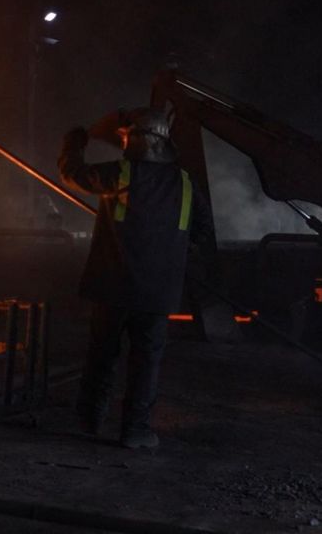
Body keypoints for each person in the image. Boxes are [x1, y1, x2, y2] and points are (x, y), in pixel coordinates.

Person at [58, 107, 215, 449]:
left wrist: (74, 143)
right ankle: (136, 431)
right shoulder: (185, 183)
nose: (124, 141)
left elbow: (75, 174)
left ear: (138, 141)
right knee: (146, 363)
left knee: (102, 357)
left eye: (127, 136)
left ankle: (89, 422)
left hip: (115, 287)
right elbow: (202, 231)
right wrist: (176, 253)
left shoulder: (125, 173)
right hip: (158, 294)